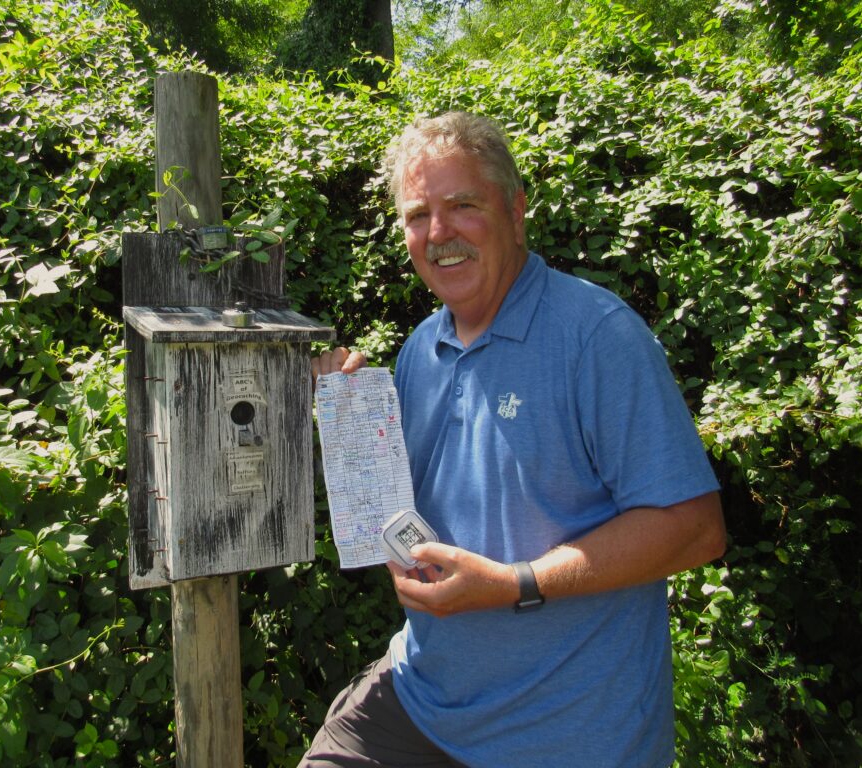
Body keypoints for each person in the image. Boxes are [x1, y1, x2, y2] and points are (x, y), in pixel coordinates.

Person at [303, 112, 726, 768]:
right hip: (423, 705)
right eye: (417, 216)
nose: (438, 234)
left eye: (462, 206)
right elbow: (400, 518)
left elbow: (696, 529)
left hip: (568, 741)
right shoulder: (421, 349)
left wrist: (515, 582)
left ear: (515, 209)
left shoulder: (597, 337)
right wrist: (349, 423)